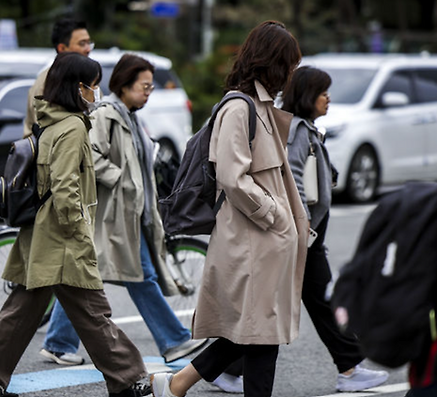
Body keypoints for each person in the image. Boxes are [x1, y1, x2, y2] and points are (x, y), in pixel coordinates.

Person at [0, 52, 151, 397]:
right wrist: (80, 232)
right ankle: (128, 381)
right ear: (78, 88)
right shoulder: (74, 127)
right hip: (64, 238)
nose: (97, 93)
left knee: (22, 309)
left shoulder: (50, 122)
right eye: (93, 86)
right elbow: (65, 187)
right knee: (94, 312)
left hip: (42, 233)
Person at [209, 65, 391, 394]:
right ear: (309, 96)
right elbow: (288, 181)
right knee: (294, 310)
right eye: (323, 93)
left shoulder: (304, 128)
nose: (328, 98)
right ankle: (349, 367)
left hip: (303, 232)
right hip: (299, 234)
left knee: (276, 314)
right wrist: (297, 230)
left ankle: (224, 368)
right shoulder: (294, 130)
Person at [151, 20, 307, 397]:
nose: (290, 74)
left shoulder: (262, 107)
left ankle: (176, 385)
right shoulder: (239, 109)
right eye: (288, 65)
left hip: (264, 242)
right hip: (253, 240)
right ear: (271, 63)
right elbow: (234, 178)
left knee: (255, 335)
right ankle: (175, 385)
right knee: (260, 335)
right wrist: (275, 214)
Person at [39, 54, 207, 367]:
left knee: (90, 279)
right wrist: (120, 179)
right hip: (115, 214)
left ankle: (58, 343)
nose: (149, 92)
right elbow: (91, 155)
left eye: (151, 87)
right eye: (144, 86)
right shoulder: (107, 115)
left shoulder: (130, 115)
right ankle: (175, 340)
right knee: (142, 276)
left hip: (131, 212)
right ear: (125, 85)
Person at [23, 18, 93, 137]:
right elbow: (46, 136)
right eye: (82, 43)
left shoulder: (89, 78)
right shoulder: (48, 82)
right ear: (62, 48)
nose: (88, 49)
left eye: (89, 43)